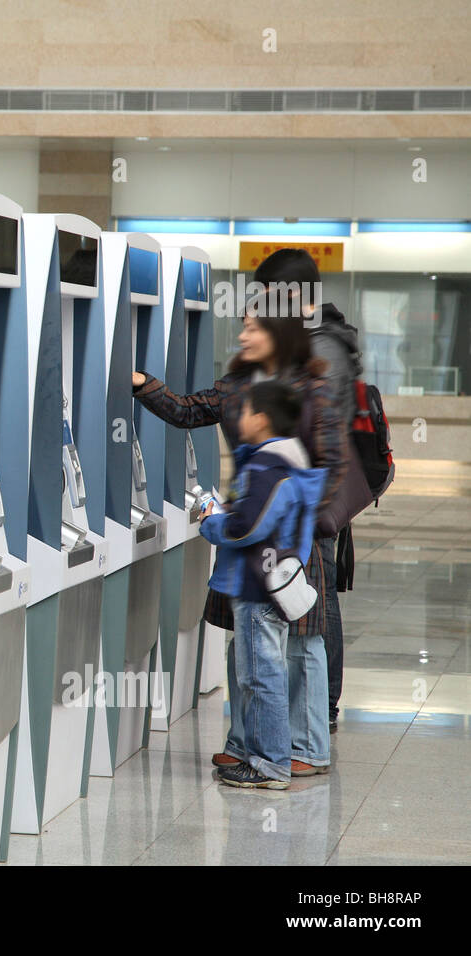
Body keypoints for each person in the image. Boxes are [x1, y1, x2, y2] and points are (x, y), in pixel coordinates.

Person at [132, 290, 347, 776]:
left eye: (253, 326)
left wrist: (292, 518)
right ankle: (249, 741)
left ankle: (304, 748)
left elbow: (333, 463)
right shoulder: (237, 386)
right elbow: (187, 411)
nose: (243, 334)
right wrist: (142, 383)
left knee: (298, 639)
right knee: (250, 643)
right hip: (252, 527)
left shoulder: (312, 387)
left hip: (292, 533)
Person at [198, 381, 326, 788]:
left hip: (259, 585)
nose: (240, 417)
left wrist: (211, 523)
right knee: (259, 672)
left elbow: (248, 527)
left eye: (248, 410)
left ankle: (269, 764)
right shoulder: (284, 461)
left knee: (261, 675)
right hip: (272, 580)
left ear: (264, 419)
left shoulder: (268, 466)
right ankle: (259, 756)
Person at [252, 249, 359, 733]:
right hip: (298, 491)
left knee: (318, 603)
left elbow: (314, 431)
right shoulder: (309, 342)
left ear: (295, 295)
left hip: (311, 495)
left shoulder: (326, 349)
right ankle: (313, 714)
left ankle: (322, 712)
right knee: (312, 600)